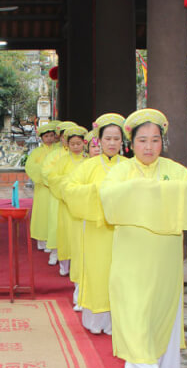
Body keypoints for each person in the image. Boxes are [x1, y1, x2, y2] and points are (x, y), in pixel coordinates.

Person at [99, 109, 187, 368]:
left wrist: (145, 192)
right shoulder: (120, 171)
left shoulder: (175, 171)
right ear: (131, 144)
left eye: (155, 140)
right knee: (132, 305)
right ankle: (146, 365)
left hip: (164, 255)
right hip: (131, 254)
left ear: (163, 142)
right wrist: (154, 192)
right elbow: (109, 197)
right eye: (142, 140)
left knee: (159, 306)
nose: (149, 147)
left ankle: (142, 361)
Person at [64, 114, 128, 336]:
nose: (112, 143)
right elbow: (69, 190)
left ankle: (116, 322)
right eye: (107, 138)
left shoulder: (129, 167)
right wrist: (95, 191)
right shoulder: (88, 166)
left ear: (122, 142)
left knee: (119, 275)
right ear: (99, 141)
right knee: (97, 273)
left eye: (116, 139)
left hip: (122, 231)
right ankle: (95, 321)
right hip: (95, 230)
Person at [48, 125, 88, 277]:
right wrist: (69, 183)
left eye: (79, 143)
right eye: (73, 144)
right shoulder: (63, 161)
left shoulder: (88, 161)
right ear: (67, 144)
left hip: (83, 205)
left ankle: (81, 266)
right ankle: (64, 265)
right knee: (66, 235)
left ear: (84, 143)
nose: (76, 147)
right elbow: (53, 179)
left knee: (82, 236)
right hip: (66, 204)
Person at [26, 121, 59, 250]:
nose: (49, 139)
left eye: (51, 136)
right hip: (42, 188)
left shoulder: (59, 150)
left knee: (54, 214)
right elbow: (30, 167)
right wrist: (44, 172)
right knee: (42, 213)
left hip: (55, 186)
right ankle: (41, 239)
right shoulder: (37, 152)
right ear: (41, 138)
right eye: (46, 136)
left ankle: (53, 240)